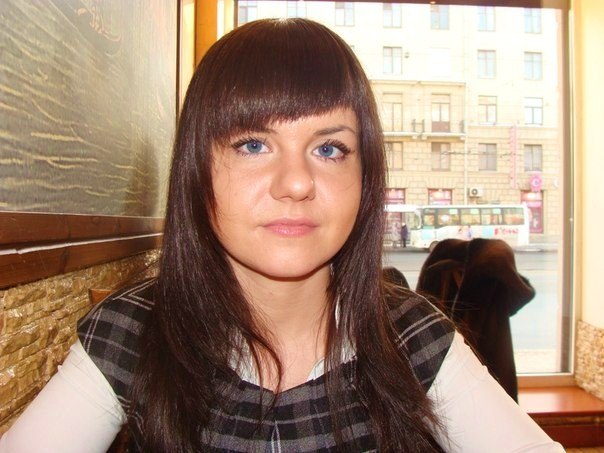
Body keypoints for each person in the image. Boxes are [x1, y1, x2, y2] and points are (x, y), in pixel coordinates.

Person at [0, 19, 563, 453]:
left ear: (365, 178)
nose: (296, 182)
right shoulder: (130, 334)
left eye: (329, 148)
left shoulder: (412, 337)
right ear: (197, 169)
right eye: (252, 145)